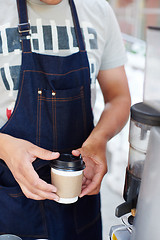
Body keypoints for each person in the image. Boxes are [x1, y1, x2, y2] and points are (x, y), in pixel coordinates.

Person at [0, 0, 131, 239]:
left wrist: (98, 141)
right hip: (9, 203)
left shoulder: (98, 11)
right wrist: (4, 146)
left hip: (79, 206)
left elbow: (119, 97)